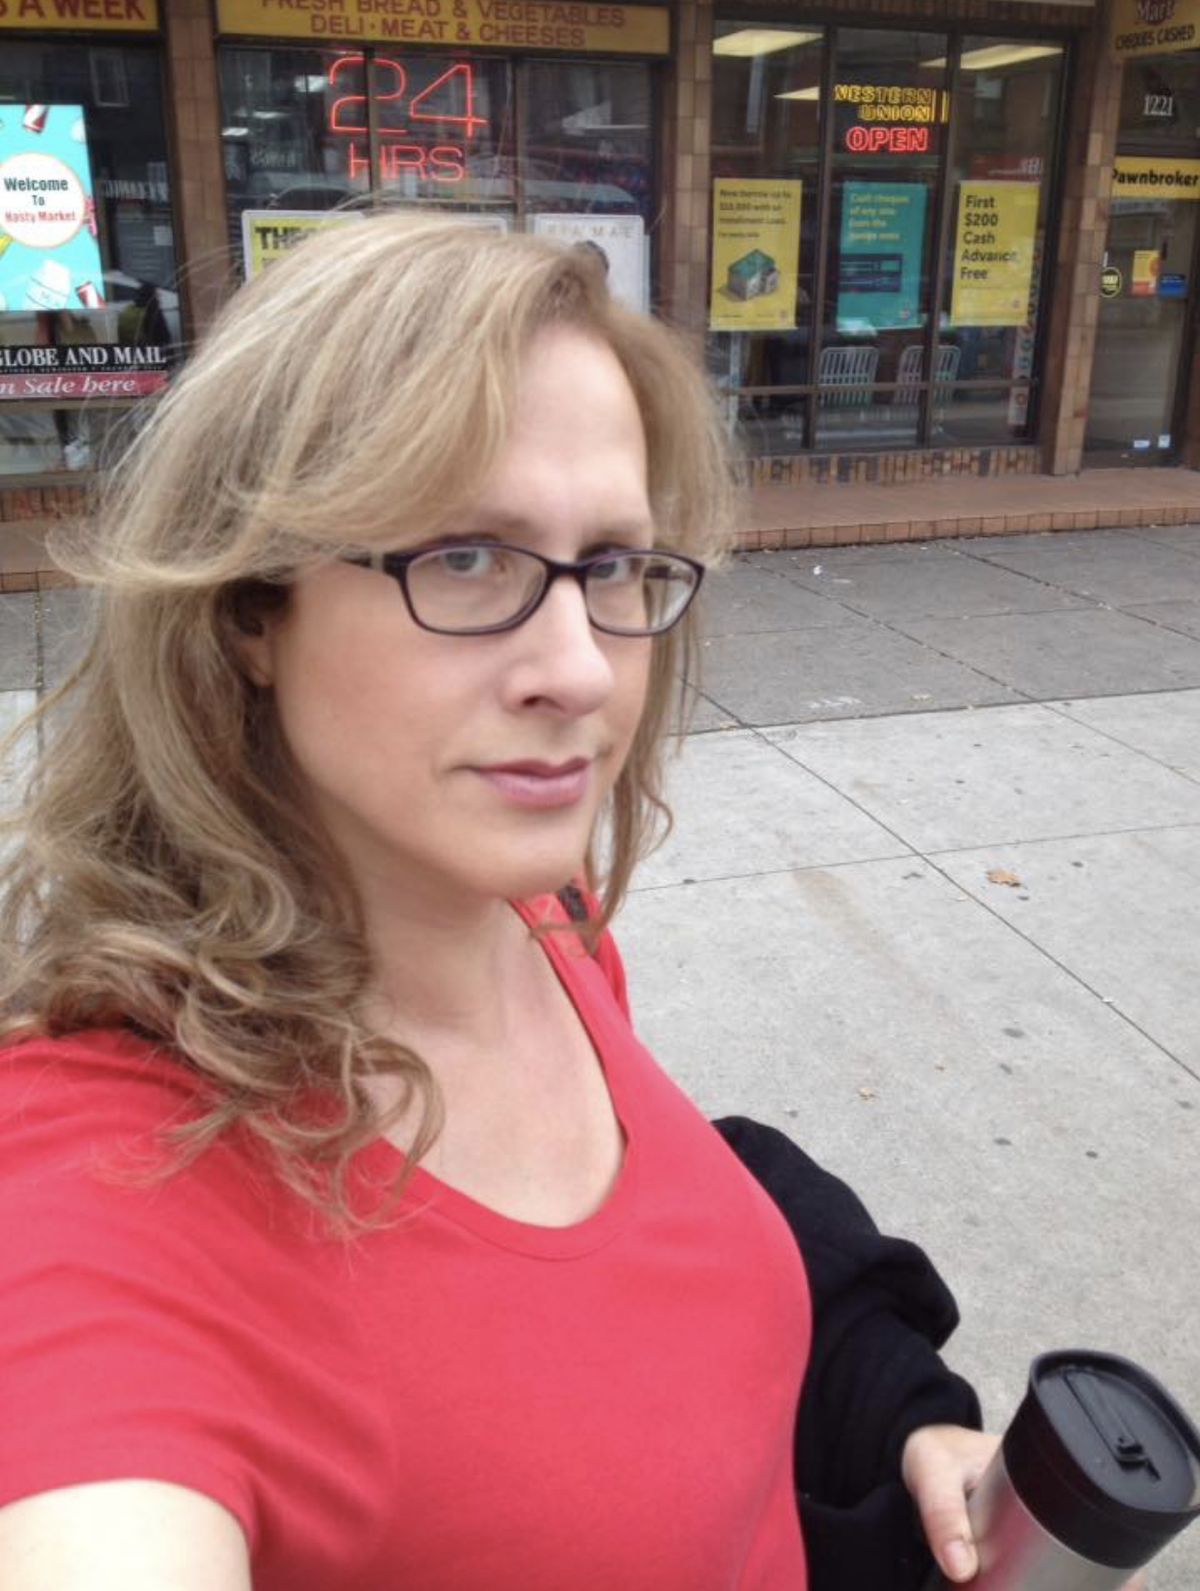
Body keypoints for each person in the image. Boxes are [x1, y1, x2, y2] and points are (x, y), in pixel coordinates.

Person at [0, 215, 1005, 1588]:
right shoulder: (107, 1182)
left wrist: (891, 1410)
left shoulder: (536, 917)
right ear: (247, 609)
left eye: (613, 564)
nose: (580, 670)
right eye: (466, 557)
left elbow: (654, 1271)